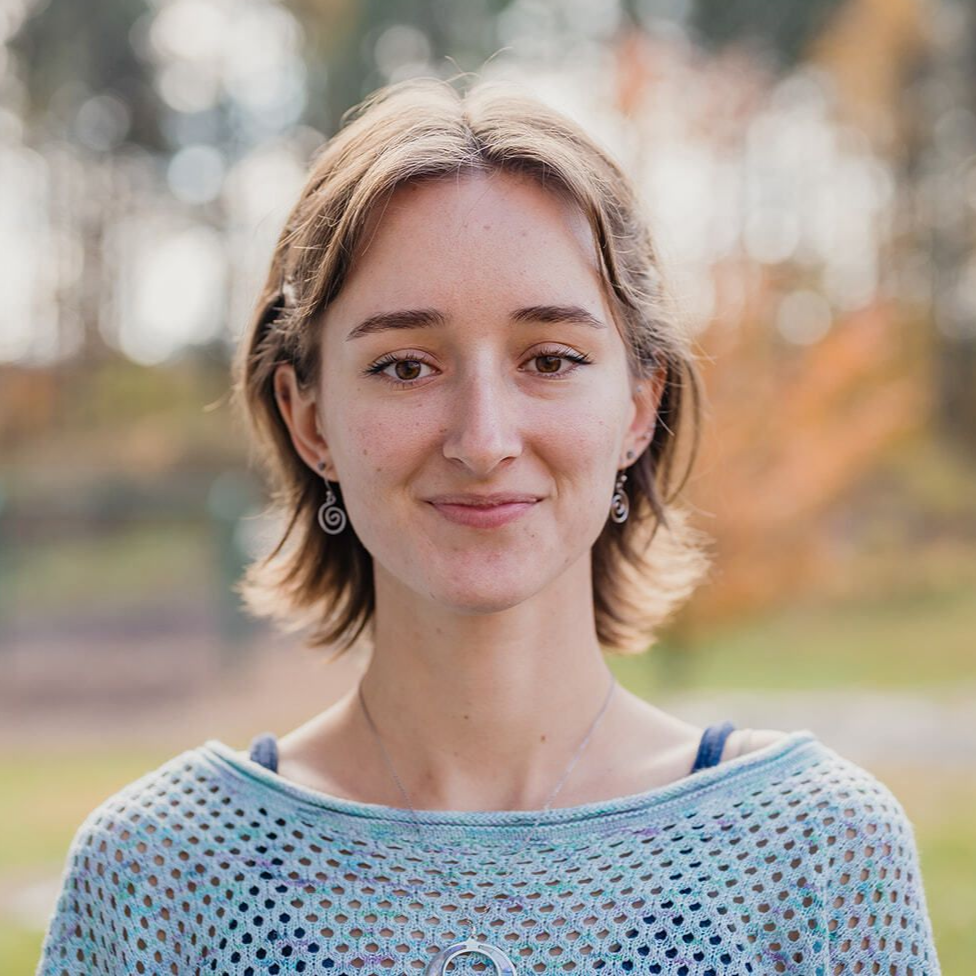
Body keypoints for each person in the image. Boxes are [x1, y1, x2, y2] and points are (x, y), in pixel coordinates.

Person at [36, 76, 941, 976]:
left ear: (638, 405)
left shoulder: (816, 857)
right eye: (403, 366)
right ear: (309, 419)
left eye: (549, 358)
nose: (482, 439)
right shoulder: (158, 876)